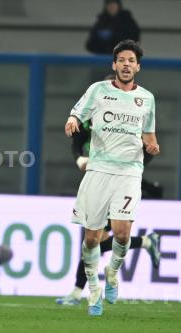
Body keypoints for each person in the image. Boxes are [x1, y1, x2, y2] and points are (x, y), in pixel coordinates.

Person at [65, 40, 160, 316]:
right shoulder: (98, 90)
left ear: (138, 66)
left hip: (129, 172)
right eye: (122, 60)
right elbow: (76, 114)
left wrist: (153, 146)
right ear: (114, 65)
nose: (126, 64)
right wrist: (72, 121)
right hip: (98, 171)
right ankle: (93, 289)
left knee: (121, 232)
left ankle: (113, 272)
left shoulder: (147, 99)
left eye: (131, 60)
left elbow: (150, 137)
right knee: (92, 238)